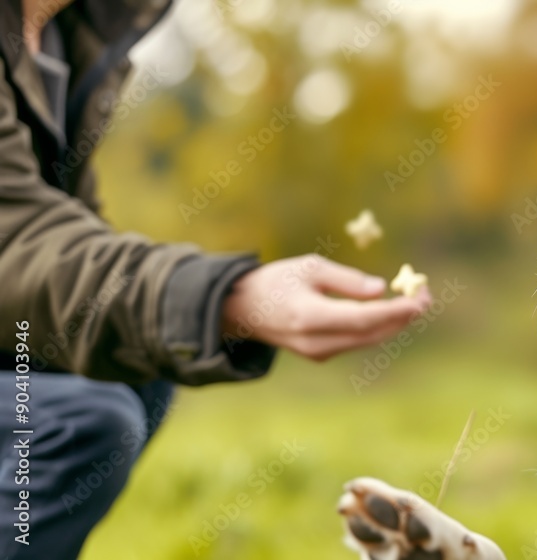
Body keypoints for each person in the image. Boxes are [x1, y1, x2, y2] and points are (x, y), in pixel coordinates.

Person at [0, 1, 431, 557]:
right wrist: (224, 296)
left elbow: (60, 239)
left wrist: (210, 304)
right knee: (76, 420)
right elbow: (16, 241)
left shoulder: (63, 37)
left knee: (137, 374)